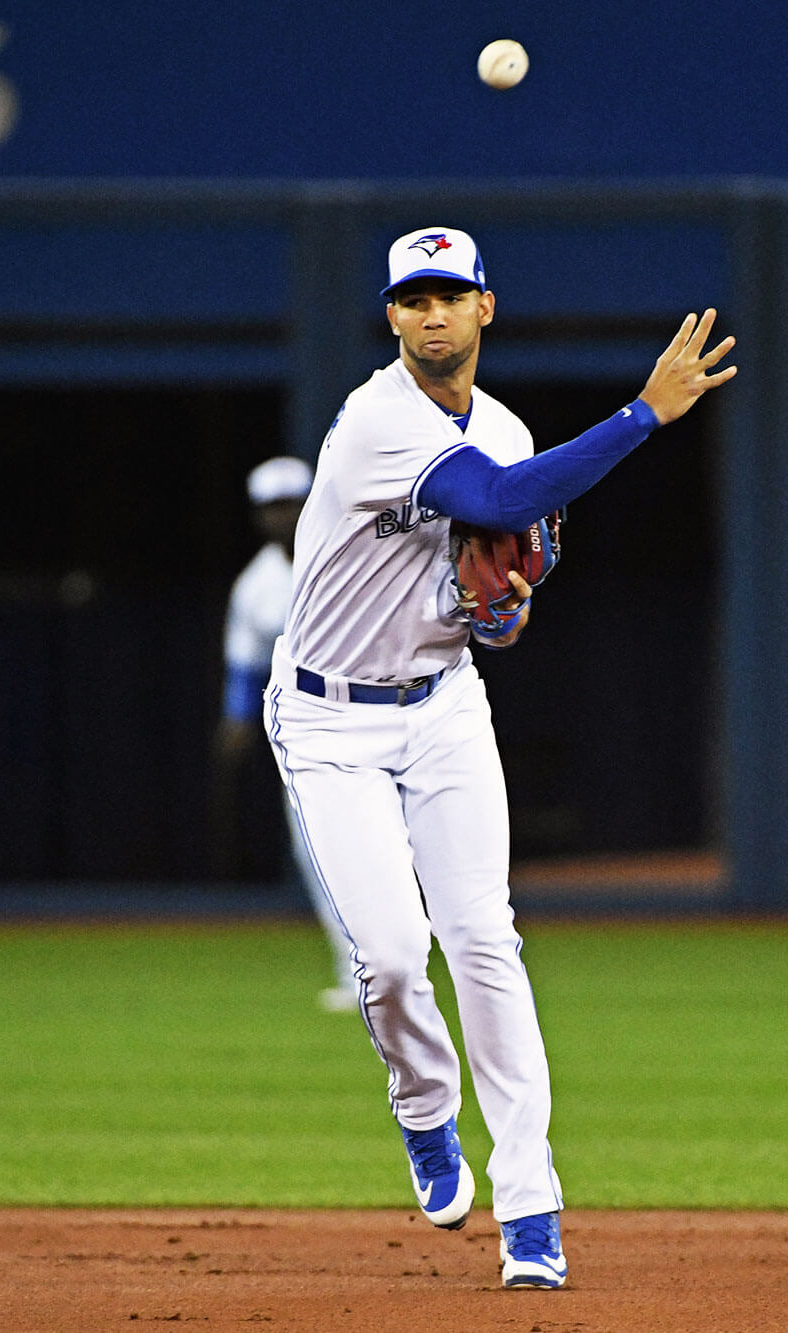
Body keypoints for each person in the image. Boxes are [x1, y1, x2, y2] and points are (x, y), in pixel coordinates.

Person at [264, 227, 736, 1289]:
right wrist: (643, 413)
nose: (430, 314)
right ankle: (425, 1110)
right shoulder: (376, 420)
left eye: (449, 295)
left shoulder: (509, 428)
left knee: (485, 940)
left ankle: (531, 1207)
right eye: (411, 298)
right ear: (390, 317)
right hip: (331, 721)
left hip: (440, 713)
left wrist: (502, 610)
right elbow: (497, 505)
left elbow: (492, 603)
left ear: (486, 308)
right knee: (389, 954)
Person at [215, 455, 356, 1012]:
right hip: (303, 733)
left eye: (291, 502)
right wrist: (236, 722)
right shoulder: (255, 587)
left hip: (379, 714)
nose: (282, 516)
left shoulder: (351, 554)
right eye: (271, 508)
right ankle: (358, 973)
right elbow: (243, 665)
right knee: (317, 854)